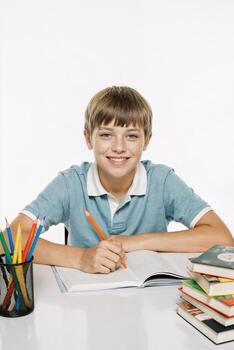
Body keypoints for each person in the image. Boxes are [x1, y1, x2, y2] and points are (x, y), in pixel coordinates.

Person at [2, 86, 233, 273]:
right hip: (87, 303)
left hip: (150, 304)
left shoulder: (162, 181)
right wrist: (82, 258)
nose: (119, 147)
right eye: (106, 135)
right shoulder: (70, 184)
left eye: (131, 136)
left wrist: (134, 242)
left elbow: (222, 239)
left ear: (147, 140)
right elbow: (9, 240)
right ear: (88, 138)